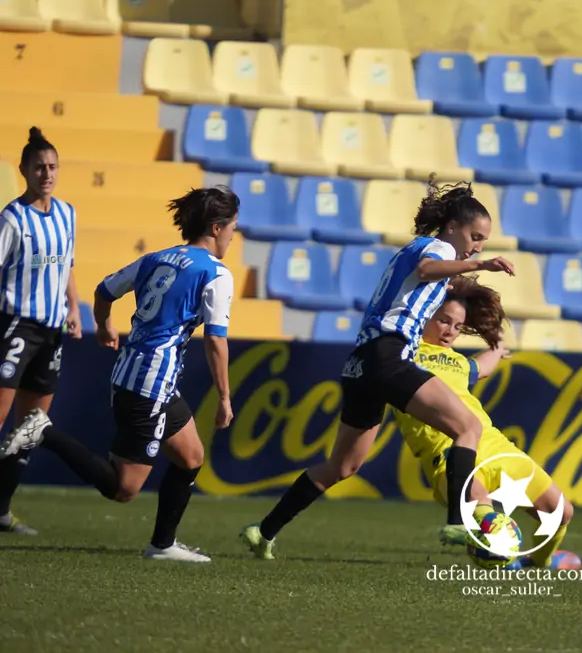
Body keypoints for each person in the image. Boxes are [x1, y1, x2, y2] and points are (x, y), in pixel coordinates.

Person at [241, 179, 515, 559]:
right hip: (389, 354)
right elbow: (428, 267)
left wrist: (471, 294)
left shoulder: (420, 254)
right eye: (475, 236)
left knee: (343, 465)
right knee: (467, 427)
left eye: (483, 241)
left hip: (361, 362)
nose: (478, 245)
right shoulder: (434, 247)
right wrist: (479, 264)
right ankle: (457, 522)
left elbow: (431, 280)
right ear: (452, 226)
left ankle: (263, 531)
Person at [0, 187, 239, 562]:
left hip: (132, 373)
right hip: (151, 385)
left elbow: (104, 290)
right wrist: (224, 397)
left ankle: (162, 545)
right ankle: (42, 431)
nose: (232, 236)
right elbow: (216, 341)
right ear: (215, 227)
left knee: (191, 456)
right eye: (232, 228)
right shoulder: (216, 273)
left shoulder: (156, 257)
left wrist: (105, 326)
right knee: (124, 488)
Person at [394, 275, 579, 570]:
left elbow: (485, 365)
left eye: (457, 326)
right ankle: (499, 556)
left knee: (561, 513)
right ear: (426, 314)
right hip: (452, 453)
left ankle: (539, 560)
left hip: (496, 447)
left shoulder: (459, 362)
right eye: (443, 321)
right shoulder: (401, 357)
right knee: (484, 511)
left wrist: (495, 339)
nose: (450, 332)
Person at [0, 127, 82, 536]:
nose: (46, 174)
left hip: (51, 333)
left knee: (29, 427)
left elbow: (67, 263)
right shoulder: (12, 219)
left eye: (52, 167)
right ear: (24, 171)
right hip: (15, 327)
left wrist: (74, 307)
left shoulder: (67, 214)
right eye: (39, 167)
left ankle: (1, 510)